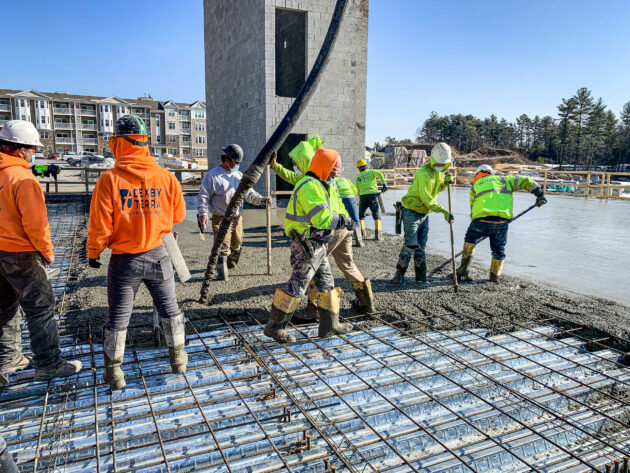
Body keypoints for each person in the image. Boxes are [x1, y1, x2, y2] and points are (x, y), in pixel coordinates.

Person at [87, 115, 187, 390]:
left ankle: (114, 373)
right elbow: (178, 214)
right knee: (169, 309)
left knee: (118, 317)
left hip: (124, 261)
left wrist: (94, 253)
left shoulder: (109, 180)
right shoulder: (166, 178)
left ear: (118, 144)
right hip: (159, 255)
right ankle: (178, 359)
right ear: (144, 143)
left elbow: (99, 226)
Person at [0, 120, 82, 387]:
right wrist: (47, 253)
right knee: (41, 309)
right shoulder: (22, 178)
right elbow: (36, 224)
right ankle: (48, 364)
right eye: (32, 149)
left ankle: (8, 359)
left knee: (5, 308)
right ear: (21, 150)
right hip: (21, 253)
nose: (33, 154)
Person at [270, 139, 374, 317]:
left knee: (313, 267)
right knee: (347, 264)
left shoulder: (314, 183)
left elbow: (322, 217)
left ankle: (312, 310)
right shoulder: (319, 179)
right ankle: (366, 303)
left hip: (333, 226)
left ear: (304, 160)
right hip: (344, 226)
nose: (294, 165)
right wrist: (275, 166)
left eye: (296, 162)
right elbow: (291, 176)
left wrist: (325, 235)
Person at [264, 147, 357, 343]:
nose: (335, 175)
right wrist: (344, 221)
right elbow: (321, 218)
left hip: (318, 244)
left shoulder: (323, 185)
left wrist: (345, 218)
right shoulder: (309, 186)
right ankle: (274, 327)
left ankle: (329, 325)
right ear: (324, 167)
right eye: (333, 171)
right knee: (297, 285)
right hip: (306, 245)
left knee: (326, 284)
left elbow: (335, 209)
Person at [456, 164, 547, 283]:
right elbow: (524, 180)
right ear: (491, 172)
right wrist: (539, 194)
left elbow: (473, 207)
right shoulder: (505, 180)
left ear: (478, 174)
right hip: (501, 222)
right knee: (498, 250)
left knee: (470, 240)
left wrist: (476, 219)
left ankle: (463, 271)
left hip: (481, 220)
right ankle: (495, 277)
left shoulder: (475, 185)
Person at [197, 144, 271, 280]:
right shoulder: (212, 176)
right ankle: (222, 272)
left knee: (237, 243)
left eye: (239, 162)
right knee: (223, 245)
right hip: (221, 217)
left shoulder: (239, 176)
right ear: (227, 160)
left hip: (237, 217)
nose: (238, 165)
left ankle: (230, 264)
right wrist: (203, 214)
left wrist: (262, 200)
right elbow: (203, 196)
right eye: (236, 162)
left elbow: (249, 193)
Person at [392, 142, 454, 285]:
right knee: (410, 245)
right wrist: (443, 210)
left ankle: (421, 278)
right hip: (411, 212)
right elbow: (426, 198)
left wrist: (445, 184)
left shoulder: (438, 173)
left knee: (421, 248)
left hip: (424, 214)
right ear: (433, 159)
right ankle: (398, 275)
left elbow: (435, 191)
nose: (441, 167)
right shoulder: (423, 173)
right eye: (440, 164)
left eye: (444, 165)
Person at [355, 160, 388, 240]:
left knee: (361, 215)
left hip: (363, 196)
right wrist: (384, 184)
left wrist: (361, 195)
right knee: (376, 214)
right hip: (373, 195)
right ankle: (378, 236)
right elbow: (380, 174)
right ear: (366, 166)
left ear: (359, 169)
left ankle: (362, 233)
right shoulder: (371, 172)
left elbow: (358, 189)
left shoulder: (358, 178)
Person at [335, 175, 364, 246]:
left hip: (339, 198)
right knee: (356, 219)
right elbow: (354, 190)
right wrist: (352, 199)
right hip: (350, 197)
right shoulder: (345, 179)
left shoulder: (333, 180)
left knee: (342, 219)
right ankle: (359, 241)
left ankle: (342, 240)